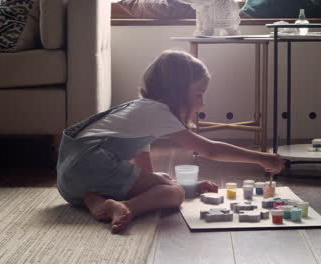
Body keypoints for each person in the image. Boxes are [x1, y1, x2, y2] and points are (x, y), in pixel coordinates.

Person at [56, 49, 283, 234]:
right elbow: (209, 149)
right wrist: (260, 157)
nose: (202, 103)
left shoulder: (139, 111)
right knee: (175, 194)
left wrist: (184, 184)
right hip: (90, 166)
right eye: (198, 94)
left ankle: (96, 200)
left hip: (70, 183)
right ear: (177, 92)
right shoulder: (158, 112)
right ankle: (125, 207)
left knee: (165, 179)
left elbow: (147, 172)